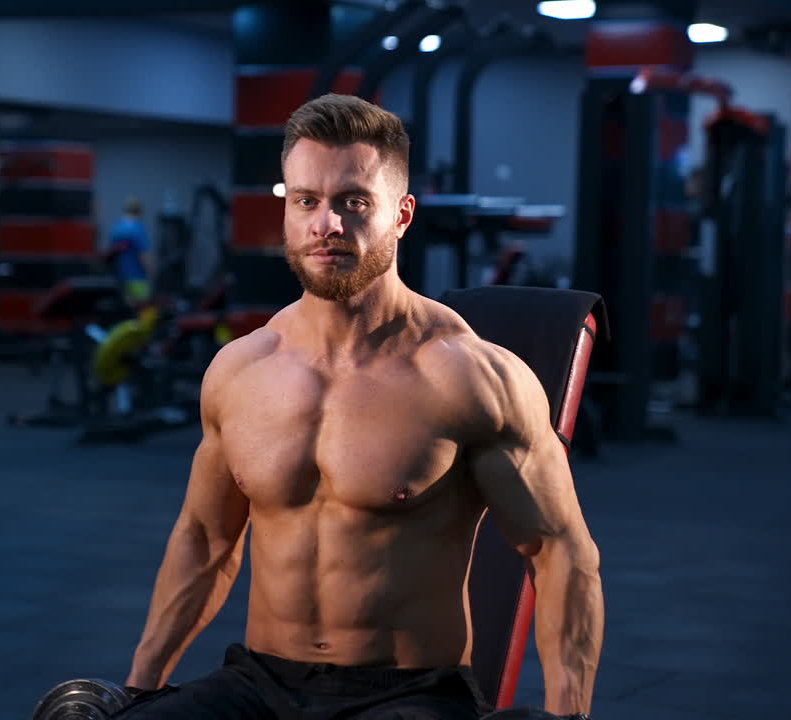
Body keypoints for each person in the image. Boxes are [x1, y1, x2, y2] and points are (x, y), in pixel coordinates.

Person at [117, 95, 604, 720]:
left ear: (401, 215)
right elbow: (205, 539)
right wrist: (137, 690)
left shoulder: (471, 377)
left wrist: (569, 713)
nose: (327, 224)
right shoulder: (239, 370)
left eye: (354, 202)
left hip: (407, 692)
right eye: (306, 201)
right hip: (260, 682)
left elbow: (561, 551)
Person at [107, 196, 155, 306]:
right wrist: (152, 272)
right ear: (140, 211)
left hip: (120, 279)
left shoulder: (116, 228)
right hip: (138, 279)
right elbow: (144, 255)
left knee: (127, 310)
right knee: (144, 311)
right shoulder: (138, 228)